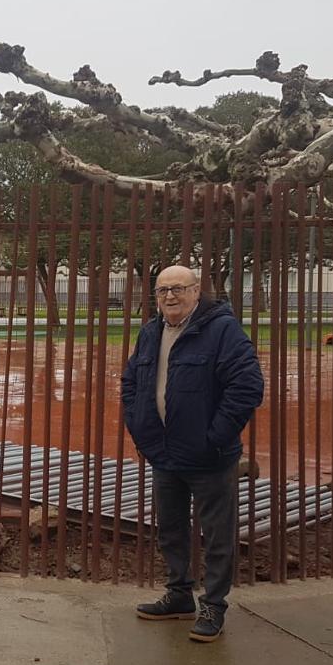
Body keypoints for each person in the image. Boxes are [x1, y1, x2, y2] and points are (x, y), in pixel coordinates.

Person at [120, 265, 264, 642]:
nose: (170, 296)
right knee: (170, 528)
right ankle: (179, 593)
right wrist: (139, 425)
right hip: (164, 452)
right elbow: (131, 382)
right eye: (162, 290)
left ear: (197, 292)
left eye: (179, 289)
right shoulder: (151, 332)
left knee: (217, 533)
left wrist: (214, 436)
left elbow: (247, 387)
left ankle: (214, 604)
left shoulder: (221, 330)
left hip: (210, 456)